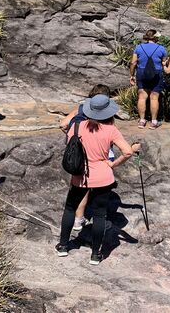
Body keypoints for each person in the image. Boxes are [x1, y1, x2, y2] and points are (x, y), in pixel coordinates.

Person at [56, 95, 141, 263]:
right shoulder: (111, 130)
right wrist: (113, 164)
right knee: (100, 215)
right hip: (103, 175)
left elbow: (70, 143)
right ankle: (95, 254)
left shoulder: (77, 126)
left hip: (80, 175)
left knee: (70, 209)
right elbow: (128, 152)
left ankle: (64, 246)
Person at [59, 84, 112, 231]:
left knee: (81, 185)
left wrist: (73, 137)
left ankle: (78, 220)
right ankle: (99, 219)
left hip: (76, 150)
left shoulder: (80, 108)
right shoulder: (106, 113)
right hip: (97, 152)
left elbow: (62, 124)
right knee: (99, 186)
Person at [129, 29, 168, 129]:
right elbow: (164, 62)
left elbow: (133, 62)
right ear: (155, 38)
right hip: (157, 73)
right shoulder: (161, 48)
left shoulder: (139, 47)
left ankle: (142, 120)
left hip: (141, 73)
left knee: (142, 97)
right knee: (154, 97)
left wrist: (132, 75)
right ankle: (154, 122)